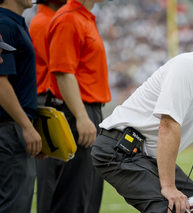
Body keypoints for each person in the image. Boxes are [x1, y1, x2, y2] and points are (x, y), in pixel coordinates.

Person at [91, 11, 193, 213]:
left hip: (149, 156)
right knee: (171, 209)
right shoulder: (186, 66)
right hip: (119, 147)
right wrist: (169, 187)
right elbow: (168, 125)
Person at [42, 0, 112, 212]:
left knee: (88, 192)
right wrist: (82, 117)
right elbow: (63, 72)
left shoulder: (82, 17)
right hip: (78, 111)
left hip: (87, 110)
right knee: (73, 195)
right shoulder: (69, 18)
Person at [0, 0, 42, 212]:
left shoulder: (14, 22)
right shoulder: (4, 23)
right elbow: (0, 82)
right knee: (15, 204)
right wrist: (26, 126)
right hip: (10, 127)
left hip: (14, 125)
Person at [29, 1, 68, 213]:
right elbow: (59, 66)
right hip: (46, 97)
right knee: (50, 174)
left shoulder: (46, 19)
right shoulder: (44, 21)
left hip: (47, 97)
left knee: (54, 172)